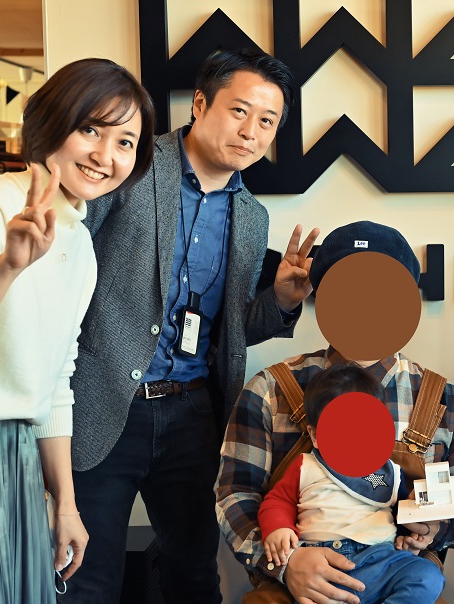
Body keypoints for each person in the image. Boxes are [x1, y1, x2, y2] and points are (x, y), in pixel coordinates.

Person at [62, 49, 319, 603]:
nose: (251, 132)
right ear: (200, 104)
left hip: (194, 413)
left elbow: (228, 332)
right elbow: (64, 262)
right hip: (105, 401)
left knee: (195, 575)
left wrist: (278, 300)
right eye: (239, 111)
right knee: (87, 577)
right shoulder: (130, 164)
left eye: (267, 121)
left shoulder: (251, 217)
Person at [217, 220, 454, 604]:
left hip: (399, 578)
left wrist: (435, 528)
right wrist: (286, 563)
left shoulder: (446, 402)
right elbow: (235, 493)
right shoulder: (270, 390)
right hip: (294, 590)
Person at [0, 58, 154, 602]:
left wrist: (66, 503)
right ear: (52, 122)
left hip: (16, 458)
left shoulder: (80, 243)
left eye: (126, 142)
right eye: (91, 130)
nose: (106, 156)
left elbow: (57, 378)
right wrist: (6, 268)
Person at [259, 362, 446, 603]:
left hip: (383, 560)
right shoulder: (306, 465)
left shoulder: (391, 472)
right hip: (322, 564)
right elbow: (277, 501)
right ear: (315, 435)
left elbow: (404, 512)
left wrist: (411, 533)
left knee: (428, 577)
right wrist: (278, 528)